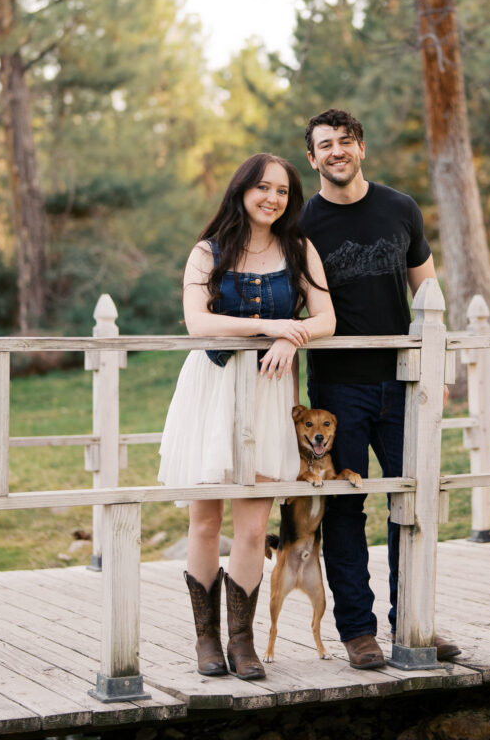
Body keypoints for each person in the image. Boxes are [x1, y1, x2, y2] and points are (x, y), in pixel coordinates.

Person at [158, 153, 335, 681]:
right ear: (241, 191)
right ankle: (206, 641)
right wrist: (272, 326)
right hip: (211, 392)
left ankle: (242, 642)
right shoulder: (207, 251)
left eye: (282, 191)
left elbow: (326, 317)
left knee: (254, 529)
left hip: (267, 393)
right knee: (205, 521)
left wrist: (293, 336)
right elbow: (197, 323)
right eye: (262, 187)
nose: (272, 198)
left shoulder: (299, 248)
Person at [299, 109, 458, 670]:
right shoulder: (302, 224)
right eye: (325, 144)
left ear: (361, 148)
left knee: (411, 502)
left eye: (346, 141)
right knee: (345, 510)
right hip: (337, 390)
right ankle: (358, 633)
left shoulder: (401, 208)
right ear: (312, 158)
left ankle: (412, 621)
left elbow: (429, 296)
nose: (337, 151)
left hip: (404, 383)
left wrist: (439, 372)